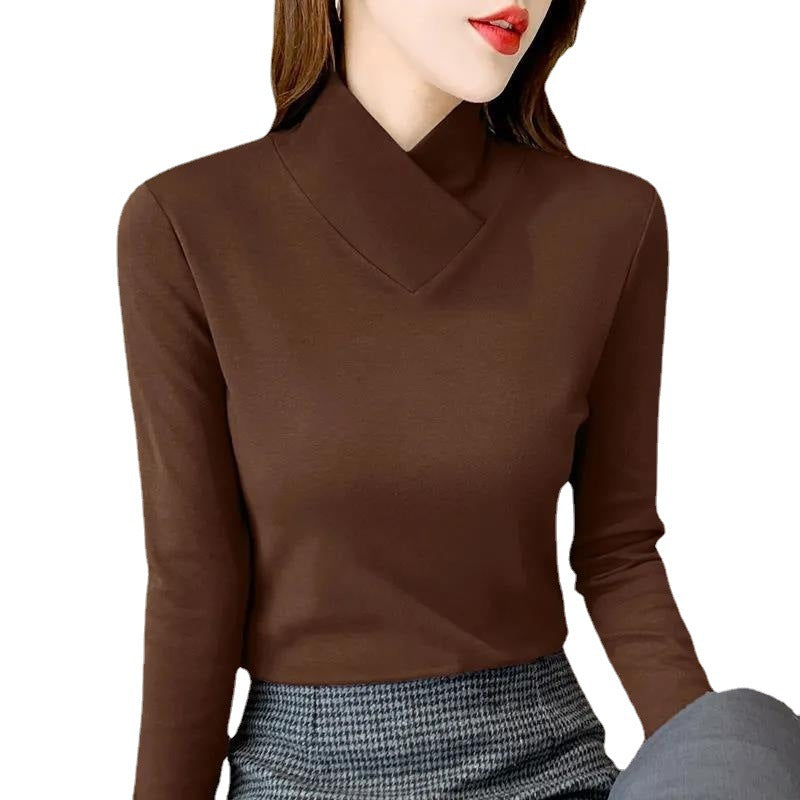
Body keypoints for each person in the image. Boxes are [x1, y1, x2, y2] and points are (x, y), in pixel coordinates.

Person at [117, 1, 800, 798]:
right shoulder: (189, 226)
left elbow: (617, 552)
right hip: (309, 775)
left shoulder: (610, 222)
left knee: (753, 732)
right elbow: (195, 584)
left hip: (552, 766)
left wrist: (712, 761)